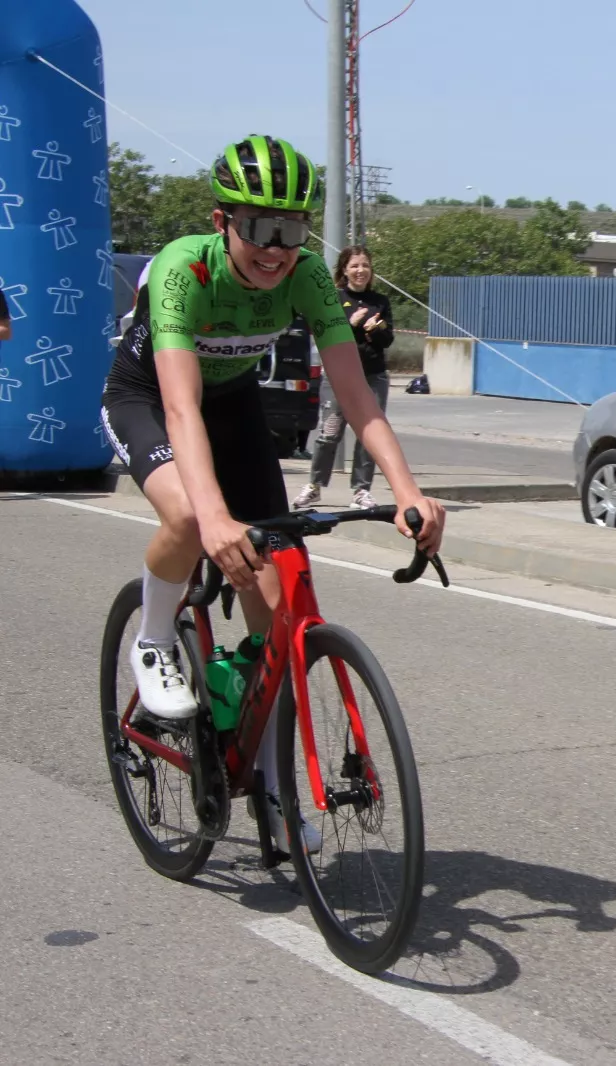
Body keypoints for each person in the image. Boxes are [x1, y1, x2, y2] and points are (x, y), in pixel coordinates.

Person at [99, 134, 445, 850]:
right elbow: (179, 410)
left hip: (233, 407)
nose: (276, 247)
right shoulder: (182, 270)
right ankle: (157, 639)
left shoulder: (310, 277)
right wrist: (217, 516)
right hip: (148, 397)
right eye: (260, 226)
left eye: (290, 229)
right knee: (195, 520)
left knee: (277, 620)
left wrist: (410, 491)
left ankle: (276, 792)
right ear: (224, 220)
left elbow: (356, 394)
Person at [293, 246, 393, 509]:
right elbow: (329, 334)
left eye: (365, 266)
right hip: (339, 377)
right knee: (329, 434)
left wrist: (376, 329)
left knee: (369, 435)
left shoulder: (380, 302)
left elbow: (387, 339)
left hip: (373, 377)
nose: (360, 271)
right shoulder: (334, 299)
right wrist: (354, 324)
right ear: (344, 270)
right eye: (355, 266)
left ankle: (361, 490)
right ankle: (314, 486)